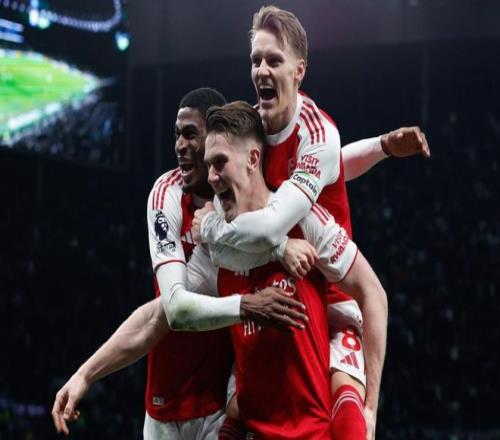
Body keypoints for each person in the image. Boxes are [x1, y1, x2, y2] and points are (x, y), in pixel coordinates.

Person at [194, 6, 428, 440]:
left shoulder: (316, 135)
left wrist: (214, 229)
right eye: (255, 60)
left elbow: (282, 214)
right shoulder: (251, 129)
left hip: (332, 288)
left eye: (274, 60)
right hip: (275, 283)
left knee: (348, 415)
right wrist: (381, 146)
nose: (262, 70)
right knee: (240, 406)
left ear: (299, 70)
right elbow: (333, 166)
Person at [51, 88, 310, 440]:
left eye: (191, 134)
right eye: (177, 135)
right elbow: (167, 311)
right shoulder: (167, 195)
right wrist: (86, 373)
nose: (180, 145)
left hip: (222, 408)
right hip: (162, 407)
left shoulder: (250, 205)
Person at [197, 100, 387, 439]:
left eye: (220, 162)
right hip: (254, 424)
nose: (211, 177)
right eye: (208, 165)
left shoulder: (306, 221)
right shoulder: (211, 236)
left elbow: (373, 293)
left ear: (253, 159)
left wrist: (369, 408)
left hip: (312, 428)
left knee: (348, 403)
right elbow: (170, 312)